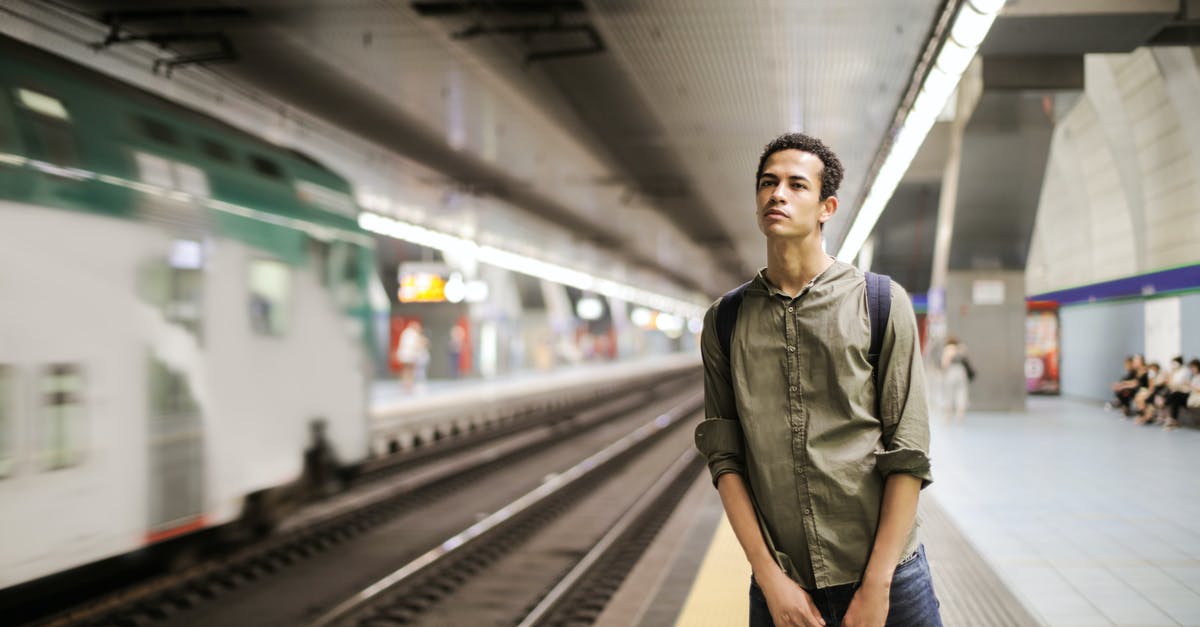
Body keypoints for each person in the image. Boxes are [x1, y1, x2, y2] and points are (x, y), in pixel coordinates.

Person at [695, 133, 940, 627]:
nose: (777, 194)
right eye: (767, 183)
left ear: (827, 206)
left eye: (795, 184)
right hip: (782, 587)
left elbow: (908, 452)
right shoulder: (725, 320)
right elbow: (726, 459)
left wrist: (876, 587)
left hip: (890, 580)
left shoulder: (880, 303)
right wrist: (769, 578)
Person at [940, 338, 971, 422]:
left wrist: (943, 372)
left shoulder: (948, 349)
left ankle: (948, 415)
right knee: (961, 393)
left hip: (951, 372)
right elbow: (966, 360)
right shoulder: (962, 348)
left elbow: (945, 363)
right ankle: (960, 415)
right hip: (961, 372)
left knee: (949, 394)